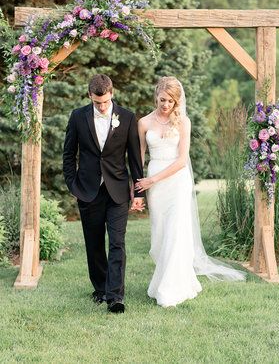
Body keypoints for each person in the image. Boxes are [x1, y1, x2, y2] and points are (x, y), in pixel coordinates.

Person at [136, 76, 245, 308]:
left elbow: (182, 160)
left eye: (171, 102)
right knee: (160, 234)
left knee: (176, 232)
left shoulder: (183, 122)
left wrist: (152, 179)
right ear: (156, 95)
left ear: (177, 102)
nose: (166, 105)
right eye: (163, 99)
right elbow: (139, 158)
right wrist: (139, 188)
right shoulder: (144, 123)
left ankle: (171, 289)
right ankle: (162, 281)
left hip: (176, 181)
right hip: (154, 186)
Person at [63, 74, 145, 314]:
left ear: (112, 94)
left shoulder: (127, 117)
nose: (101, 106)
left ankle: (115, 296)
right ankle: (100, 289)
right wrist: (73, 184)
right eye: (97, 102)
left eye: (105, 102)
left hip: (117, 190)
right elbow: (69, 154)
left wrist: (138, 192)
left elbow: (134, 157)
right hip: (87, 190)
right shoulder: (78, 117)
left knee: (118, 242)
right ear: (90, 95)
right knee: (94, 243)